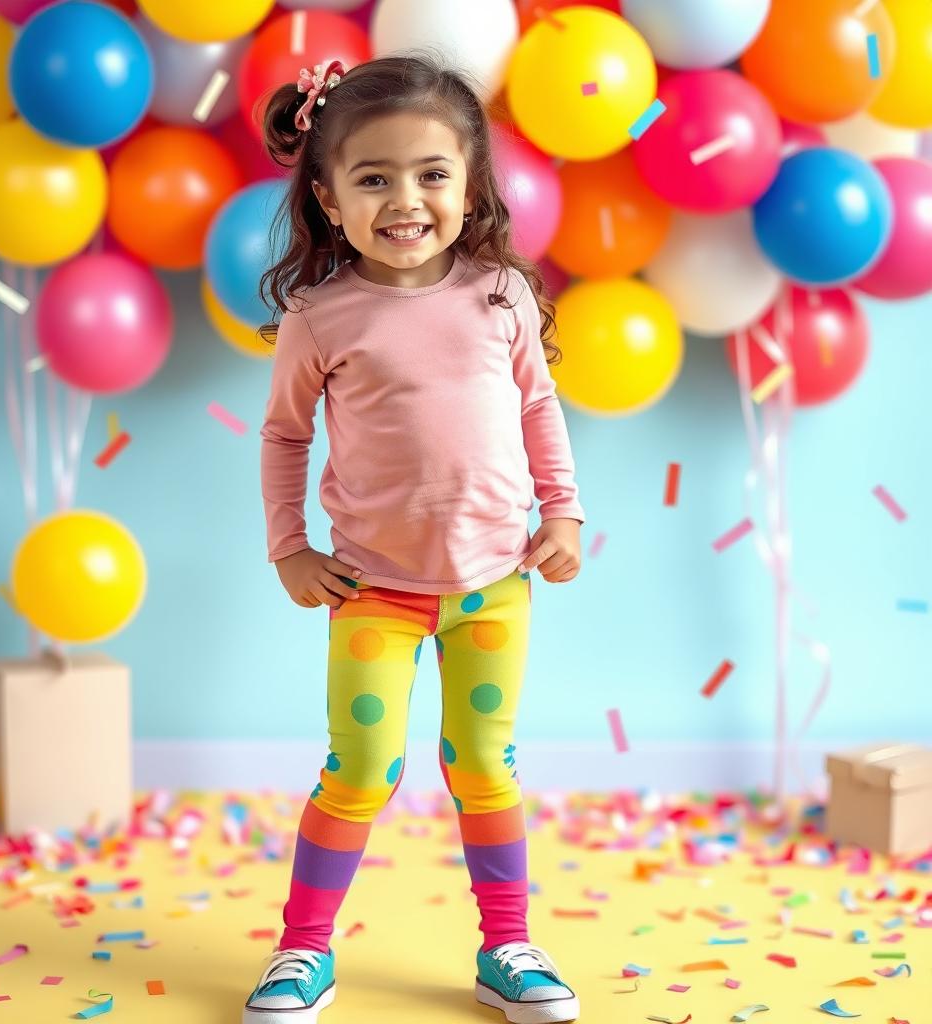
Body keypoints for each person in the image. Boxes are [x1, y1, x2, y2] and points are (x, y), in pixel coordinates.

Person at [245, 50, 585, 1024]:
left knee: (484, 764)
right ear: (327, 195)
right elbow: (283, 434)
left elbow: (540, 407)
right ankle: (302, 950)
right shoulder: (319, 317)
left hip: (493, 587)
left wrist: (560, 509)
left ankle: (507, 942)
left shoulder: (500, 297)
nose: (407, 199)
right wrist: (288, 545)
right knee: (360, 768)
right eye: (374, 177)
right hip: (374, 594)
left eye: (432, 174)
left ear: (469, 183)